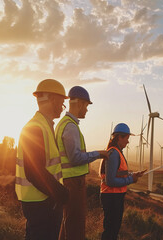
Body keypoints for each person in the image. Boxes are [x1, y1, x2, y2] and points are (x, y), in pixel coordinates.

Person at [15, 79, 69, 240]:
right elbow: (34, 172)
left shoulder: (44, 126)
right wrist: (60, 193)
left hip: (45, 201)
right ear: (52, 99)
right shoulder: (35, 128)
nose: (62, 107)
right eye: (61, 102)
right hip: (41, 203)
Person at [55, 86, 109, 240]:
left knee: (67, 224)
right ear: (78, 103)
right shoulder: (70, 126)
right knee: (75, 226)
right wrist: (99, 154)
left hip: (67, 181)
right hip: (73, 183)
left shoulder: (63, 124)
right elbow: (75, 158)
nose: (86, 109)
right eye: (86, 105)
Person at [99, 123, 146, 240]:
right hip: (112, 197)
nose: (128, 142)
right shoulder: (114, 153)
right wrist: (131, 179)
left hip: (114, 196)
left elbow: (118, 173)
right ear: (119, 137)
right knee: (111, 231)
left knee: (113, 230)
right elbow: (110, 181)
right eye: (127, 138)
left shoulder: (116, 152)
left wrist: (133, 174)